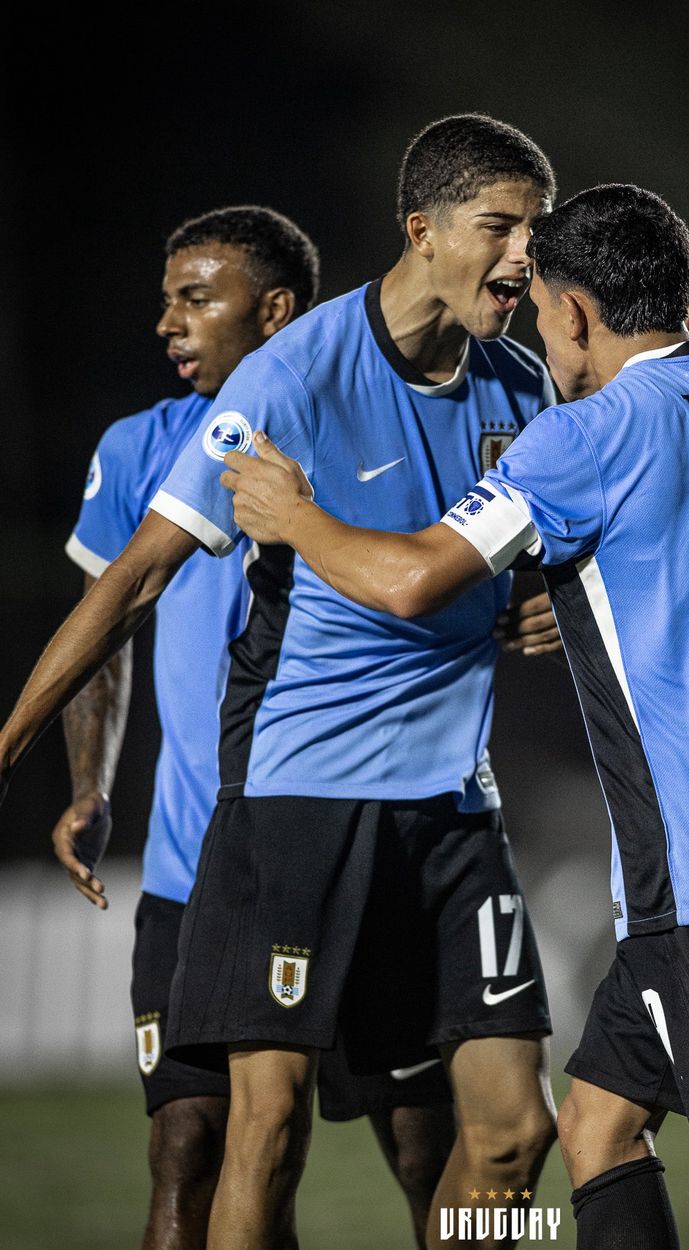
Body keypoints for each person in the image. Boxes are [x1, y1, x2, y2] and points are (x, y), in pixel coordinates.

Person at [220, 183, 689, 1250]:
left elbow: (413, 577)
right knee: (594, 1130)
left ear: (573, 313)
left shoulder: (583, 436)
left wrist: (294, 513)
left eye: (542, 301)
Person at [0, 114, 564, 1250]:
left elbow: (567, 557)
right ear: (423, 229)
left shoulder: (524, 385)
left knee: (512, 1134)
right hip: (300, 800)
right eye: (500, 228)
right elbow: (132, 584)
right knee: (257, 1132)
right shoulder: (291, 374)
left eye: (533, 235)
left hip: (456, 807)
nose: (523, 258)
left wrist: (540, 600)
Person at [48, 203, 458, 1250]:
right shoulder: (140, 446)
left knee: (436, 1152)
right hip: (195, 876)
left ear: (274, 311)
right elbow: (109, 622)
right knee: (192, 1149)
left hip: (357, 852)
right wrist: (89, 782)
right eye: (166, 299)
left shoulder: (375, 426)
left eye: (196, 297)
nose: (167, 323)